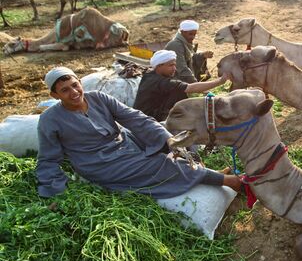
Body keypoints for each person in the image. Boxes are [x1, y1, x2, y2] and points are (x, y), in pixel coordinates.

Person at [36, 66, 241, 199]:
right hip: (101, 163)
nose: (74, 93)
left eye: (75, 85)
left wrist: (167, 139)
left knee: (175, 135)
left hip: (126, 143)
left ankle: (203, 173)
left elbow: (135, 118)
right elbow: (48, 159)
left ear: (80, 82)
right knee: (161, 164)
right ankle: (228, 182)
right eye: (65, 90)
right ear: (54, 95)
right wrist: (55, 193)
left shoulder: (98, 97)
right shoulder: (50, 120)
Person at [134, 50, 228, 122]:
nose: (174, 68)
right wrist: (220, 81)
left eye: (174, 65)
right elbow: (190, 88)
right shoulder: (159, 81)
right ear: (159, 66)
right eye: (170, 65)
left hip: (144, 115)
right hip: (147, 120)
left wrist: (202, 90)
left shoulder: (151, 74)